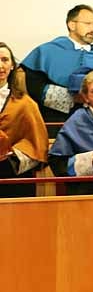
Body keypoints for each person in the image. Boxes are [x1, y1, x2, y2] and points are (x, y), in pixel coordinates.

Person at [20, 5, 93, 137]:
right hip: (55, 120)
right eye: (88, 23)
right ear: (72, 25)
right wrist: (72, 98)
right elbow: (35, 86)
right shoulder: (48, 50)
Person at [0, 43, 48, 198]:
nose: (0, 65)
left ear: (12, 66)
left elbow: (37, 144)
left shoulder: (26, 103)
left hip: (12, 178)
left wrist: (9, 158)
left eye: (5, 60)